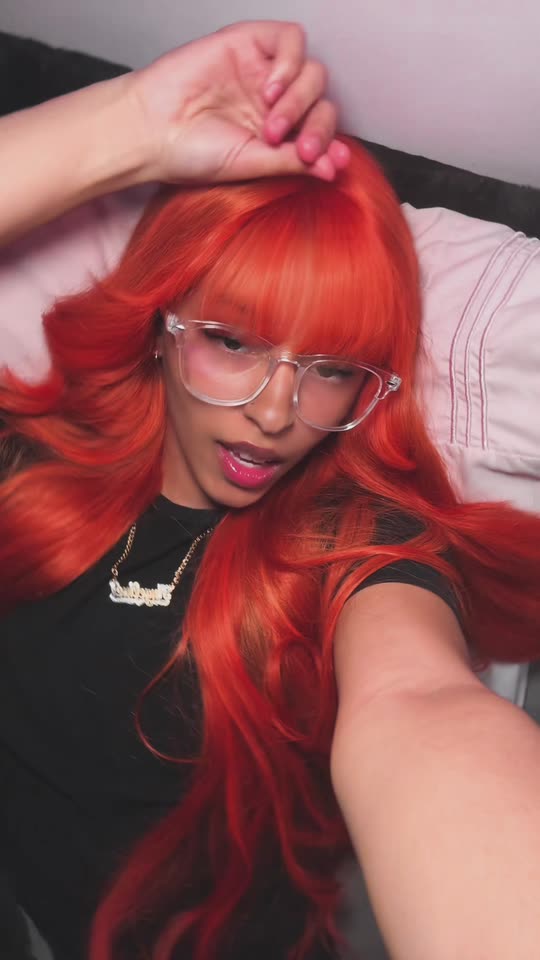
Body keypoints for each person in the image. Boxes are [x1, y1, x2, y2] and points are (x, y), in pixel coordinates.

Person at [1, 18, 540, 960]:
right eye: (233, 342)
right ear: (159, 321)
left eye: (331, 366)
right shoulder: (30, 457)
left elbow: (419, 701)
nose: (276, 413)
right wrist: (129, 124)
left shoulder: (354, 543)